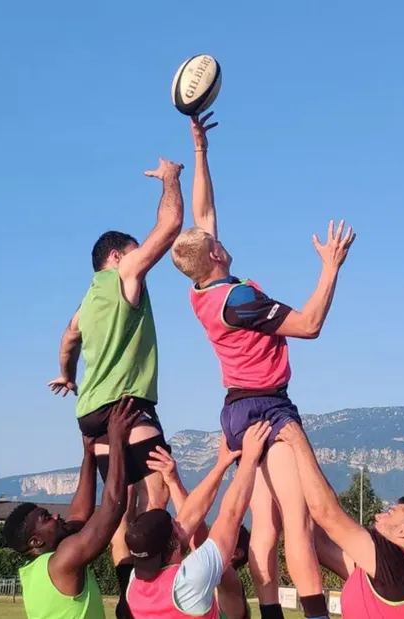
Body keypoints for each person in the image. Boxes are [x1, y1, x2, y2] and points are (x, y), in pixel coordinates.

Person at [169, 112, 356, 619]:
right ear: (213, 257)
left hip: (234, 408)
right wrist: (330, 268)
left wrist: (200, 149)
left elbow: (203, 215)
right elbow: (311, 323)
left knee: (267, 525)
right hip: (266, 409)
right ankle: (316, 613)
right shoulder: (240, 300)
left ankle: (270, 611)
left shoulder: (200, 290)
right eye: (213, 243)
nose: (218, 238)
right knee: (296, 522)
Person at [48, 157, 186, 616]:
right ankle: (153, 599)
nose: (139, 259)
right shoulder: (124, 276)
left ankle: (127, 599)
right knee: (157, 499)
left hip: (90, 414)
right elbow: (169, 226)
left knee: (119, 509)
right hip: (126, 409)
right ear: (116, 257)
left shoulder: (86, 303)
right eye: (133, 252)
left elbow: (68, 340)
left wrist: (67, 376)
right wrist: (170, 179)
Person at [279, 423, 404, 618]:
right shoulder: (387, 570)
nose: (378, 516)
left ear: (403, 531)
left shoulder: (396, 565)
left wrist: (299, 442)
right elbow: (318, 543)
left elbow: (326, 513)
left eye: (389, 513)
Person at [4, 398, 141, 619]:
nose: (57, 516)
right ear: (36, 541)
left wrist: (89, 455)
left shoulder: (38, 569)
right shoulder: (62, 562)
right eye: (46, 517)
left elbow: (78, 515)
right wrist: (117, 441)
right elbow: (113, 508)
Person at [124, 421, 272, 619]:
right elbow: (229, 516)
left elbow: (189, 528)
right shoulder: (191, 580)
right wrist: (249, 459)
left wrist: (176, 480)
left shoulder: (134, 584)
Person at [144, 444, 253, 619]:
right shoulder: (202, 583)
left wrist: (174, 481)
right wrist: (172, 481)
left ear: (237, 553)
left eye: (229, 538)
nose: (216, 539)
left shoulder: (232, 585)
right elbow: (196, 535)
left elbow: (198, 539)